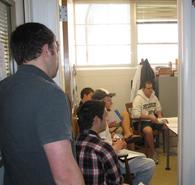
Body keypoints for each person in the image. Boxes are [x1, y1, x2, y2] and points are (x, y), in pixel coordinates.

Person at [0, 23, 85, 185]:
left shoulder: (3, 88)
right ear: (47, 49)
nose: (58, 56)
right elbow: (65, 175)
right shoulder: (51, 94)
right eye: (57, 49)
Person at [92, 89, 155, 185]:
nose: (111, 102)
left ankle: (127, 132)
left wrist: (113, 140)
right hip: (113, 158)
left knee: (143, 156)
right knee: (149, 164)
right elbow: (101, 151)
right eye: (108, 100)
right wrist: (115, 147)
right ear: (100, 102)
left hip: (112, 151)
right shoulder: (98, 121)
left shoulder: (100, 117)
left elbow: (102, 141)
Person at [76, 100, 128, 185]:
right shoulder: (104, 148)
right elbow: (117, 182)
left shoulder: (75, 142)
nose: (107, 120)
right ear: (96, 120)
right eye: (105, 117)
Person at [132, 80, 166, 164]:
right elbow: (135, 114)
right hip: (141, 121)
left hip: (152, 120)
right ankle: (153, 152)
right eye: (148, 88)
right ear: (143, 89)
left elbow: (158, 109)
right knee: (148, 130)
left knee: (166, 126)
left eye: (151, 88)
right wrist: (150, 117)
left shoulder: (153, 96)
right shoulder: (138, 98)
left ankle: (166, 150)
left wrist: (161, 118)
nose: (151, 90)